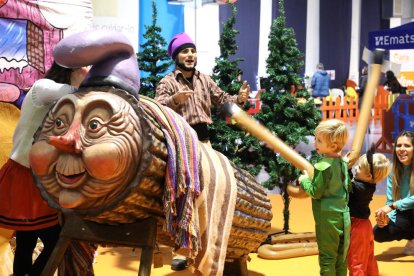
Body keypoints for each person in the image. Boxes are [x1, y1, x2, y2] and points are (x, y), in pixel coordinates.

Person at [0, 62, 89, 276]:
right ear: (71, 69)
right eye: (84, 66)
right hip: (25, 175)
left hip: (38, 176)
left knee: (26, 241)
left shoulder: (64, 104)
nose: (87, 71)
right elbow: (76, 92)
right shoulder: (42, 87)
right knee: (55, 240)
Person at [155, 32, 249, 144]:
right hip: (180, 143)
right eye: (185, 51)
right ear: (176, 57)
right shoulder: (167, 82)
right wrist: (174, 100)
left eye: (193, 51)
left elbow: (222, 100)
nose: (190, 55)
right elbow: (157, 110)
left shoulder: (205, 79)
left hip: (204, 142)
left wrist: (239, 99)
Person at [298, 119, 350, 276]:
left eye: (319, 140)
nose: (315, 143)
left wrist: (304, 180)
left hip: (327, 218)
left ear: (333, 146)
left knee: (327, 258)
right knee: (342, 257)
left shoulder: (322, 166)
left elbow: (315, 191)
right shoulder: (343, 163)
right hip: (343, 214)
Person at [347, 150, 390, 276]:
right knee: (368, 258)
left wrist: (346, 168)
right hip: (365, 226)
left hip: (357, 227)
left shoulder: (360, 188)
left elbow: (346, 185)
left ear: (369, 176)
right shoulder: (369, 184)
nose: (355, 168)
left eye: (359, 167)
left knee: (356, 261)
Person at [373, 130, 414, 255]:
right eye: (398, 145)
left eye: (407, 145)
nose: (401, 149)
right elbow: (390, 200)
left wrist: (392, 206)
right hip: (405, 212)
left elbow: (392, 205)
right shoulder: (393, 171)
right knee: (378, 233)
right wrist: (386, 219)